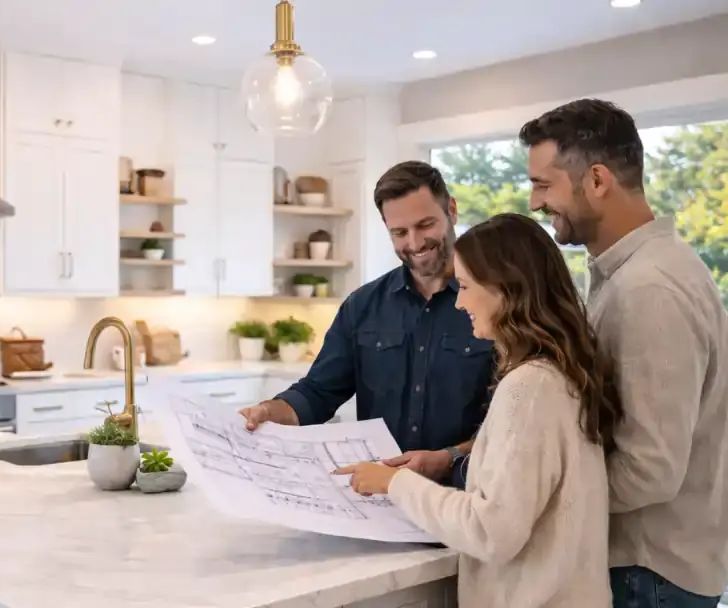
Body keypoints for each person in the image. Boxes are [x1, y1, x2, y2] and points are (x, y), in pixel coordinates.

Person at [336, 213, 622, 608]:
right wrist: (446, 461)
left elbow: (491, 530)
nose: (459, 301)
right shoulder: (559, 372)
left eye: (466, 286)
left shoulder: (529, 387)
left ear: (506, 289)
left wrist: (393, 484)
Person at [518, 98, 728, 607]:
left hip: (648, 573)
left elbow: (650, 469)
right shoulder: (632, 276)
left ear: (596, 180)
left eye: (544, 185)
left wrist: (532, 502)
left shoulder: (650, 290)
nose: (533, 202)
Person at [239, 161, 495, 487]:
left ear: (452, 210)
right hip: (381, 499)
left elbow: (515, 423)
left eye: (425, 224)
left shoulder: (495, 301)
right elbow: (318, 393)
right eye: (399, 232)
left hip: (467, 499)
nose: (414, 243)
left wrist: (449, 458)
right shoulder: (362, 306)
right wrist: (269, 411)